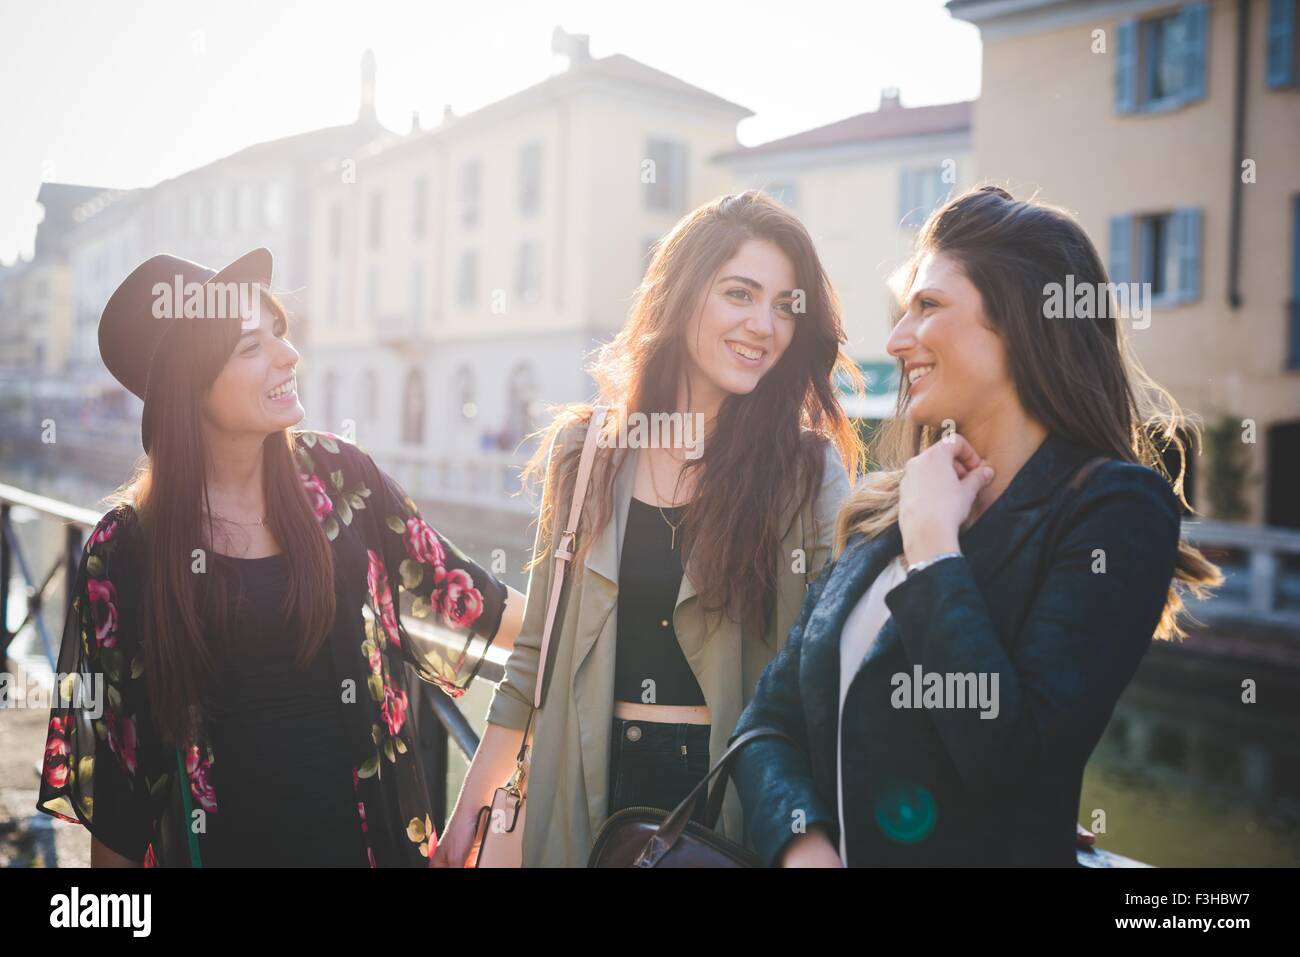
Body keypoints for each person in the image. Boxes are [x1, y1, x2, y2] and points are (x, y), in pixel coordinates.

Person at [731, 186, 1222, 867]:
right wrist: (803, 843)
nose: (899, 339)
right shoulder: (888, 504)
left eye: (927, 307)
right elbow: (766, 724)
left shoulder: (1115, 509)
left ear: (1022, 319)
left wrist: (935, 554)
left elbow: (1018, 771)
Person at [36, 248, 524, 867]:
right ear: (192, 387)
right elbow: (120, 799)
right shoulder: (127, 550)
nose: (289, 356)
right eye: (250, 347)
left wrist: (478, 806)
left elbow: (502, 618)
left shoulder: (344, 480)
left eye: (280, 333)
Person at [434, 191, 863, 866]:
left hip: (729, 802)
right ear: (683, 296)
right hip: (583, 790)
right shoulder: (590, 453)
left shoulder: (806, 471)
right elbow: (535, 652)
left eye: (785, 305)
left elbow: (848, 654)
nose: (764, 324)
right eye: (740, 294)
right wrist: (471, 808)